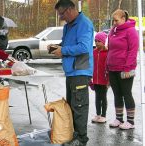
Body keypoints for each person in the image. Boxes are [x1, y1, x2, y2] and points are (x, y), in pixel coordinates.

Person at [48, 0, 94, 145]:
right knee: (72, 106)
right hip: (71, 71)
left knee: (79, 106)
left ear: (69, 10)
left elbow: (84, 47)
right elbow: (68, 45)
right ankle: (75, 135)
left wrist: (64, 50)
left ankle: (81, 139)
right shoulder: (68, 26)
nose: (61, 17)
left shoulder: (84, 24)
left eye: (61, 14)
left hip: (80, 71)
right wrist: (57, 47)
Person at [107, 9, 138, 130]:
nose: (114, 23)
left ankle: (130, 121)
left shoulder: (131, 31)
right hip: (112, 68)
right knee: (117, 94)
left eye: (116, 20)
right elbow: (110, 49)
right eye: (113, 20)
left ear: (124, 19)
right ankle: (119, 118)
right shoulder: (113, 31)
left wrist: (127, 68)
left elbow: (133, 51)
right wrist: (107, 66)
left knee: (127, 94)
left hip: (125, 69)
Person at [91, 32, 109, 123]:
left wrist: (109, 80)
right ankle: (98, 114)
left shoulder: (107, 53)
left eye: (99, 41)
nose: (97, 43)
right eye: (96, 41)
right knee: (97, 98)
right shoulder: (93, 52)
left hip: (104, 80)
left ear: (103, 41)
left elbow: (109, 67)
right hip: (96, 79)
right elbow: (91, 66)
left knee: (103, 97)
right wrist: (90, 80)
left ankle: (103, 115)